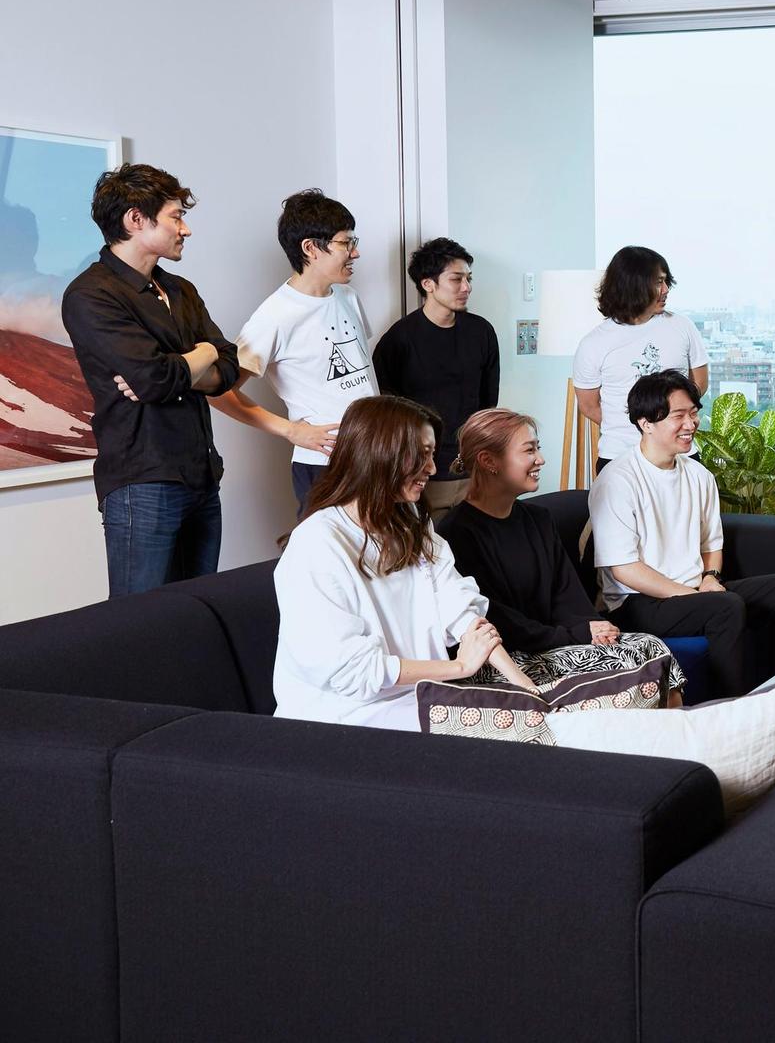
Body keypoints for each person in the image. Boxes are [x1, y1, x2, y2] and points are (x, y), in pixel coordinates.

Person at [271, 395, 538, 731]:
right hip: (346, 719)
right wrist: (459, 668)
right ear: (381, 453)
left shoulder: (408, 521)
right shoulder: (316, 544)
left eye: (432, 454)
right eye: (422, 454)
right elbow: (353, 671)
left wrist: (524, 685)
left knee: (549, 718)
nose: (433, 468)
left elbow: (458, 606)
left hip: (421, 700)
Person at [61, 164, 241, 596]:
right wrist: (202, 354)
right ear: (135, 219)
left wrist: (191, 363)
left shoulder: (181, 289)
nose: (186, 229)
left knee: (199, 616)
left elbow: (228, 369)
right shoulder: (90, 295)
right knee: (137, 624)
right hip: (142, 483)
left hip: (202, 477)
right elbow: (155, 379)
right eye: (176, 217)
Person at [589, 370, 775, 696]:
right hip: (637, 602)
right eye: (679, 416)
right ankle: (730, 709)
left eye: (693, 413)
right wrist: (692, 595)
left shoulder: (699, 475)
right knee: (726, 607)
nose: (691, 424)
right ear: (646, 423)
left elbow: (711, 543)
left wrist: (710, 578)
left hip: (694, 589)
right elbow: (625, 569)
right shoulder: (617, 480)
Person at [438, 408, 684, 698]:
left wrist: (593, 628)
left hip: (554, 644)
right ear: (488, 460)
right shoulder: (456, 533)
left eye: (538, 448)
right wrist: (576, 635)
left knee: (654, 649)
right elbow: (497, 619)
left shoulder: (538, 520)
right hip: (506, 658)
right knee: (625, 663)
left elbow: (566, 594)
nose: (540, 459)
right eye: (529, 450)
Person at [214, 188, 375, 512]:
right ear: (311, 248)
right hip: (325, 464)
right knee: (327, 546)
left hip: (375, 455)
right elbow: (219, 392)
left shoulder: (348, 297)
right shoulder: (275, 315)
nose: (355, 253)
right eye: (346, 243)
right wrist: (291, 431)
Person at [373, 237, 499, 522]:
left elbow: (488, 403)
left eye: (468, 278)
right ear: (428, 284)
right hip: (421, 473)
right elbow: (387, 416)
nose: (466, 287)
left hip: (474, 469)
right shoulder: (398, 340)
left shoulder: (481, 332)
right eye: (456, 279)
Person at [573, 247, 709, 473]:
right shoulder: (593, 344)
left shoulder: (682, 326)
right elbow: (589, 406)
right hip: (619, 455)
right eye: (658, 282)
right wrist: (635, 427)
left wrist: (668, 425)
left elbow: (699, 384)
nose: (666, 290)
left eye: (666, 281)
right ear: (633, 286)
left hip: (680, 454)